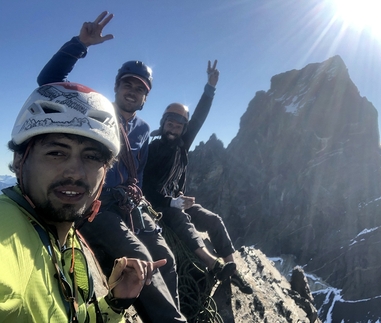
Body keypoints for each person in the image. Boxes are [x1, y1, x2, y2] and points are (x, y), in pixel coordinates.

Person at [37, 12, 186, 322]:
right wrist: (80, 44)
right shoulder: (94, 110)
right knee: (143, 259)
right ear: (117, 87)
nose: (133, 90)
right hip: (99, 204)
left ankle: (170, 315)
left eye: (140, 88)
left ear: (146, 97)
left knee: (167, 259)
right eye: (127, 84)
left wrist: (140, 202)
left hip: (130, 204)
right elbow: (49, 83)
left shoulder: (144, 129)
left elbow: (140, 170)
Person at [0, 82, 166, 322]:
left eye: (91, 157)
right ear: (19, 160)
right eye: (56, 153)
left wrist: (116, 302)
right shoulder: (7, 231)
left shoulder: (68, 238)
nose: (75, 173)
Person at [142, 60, 253, 294]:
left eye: (178, 126)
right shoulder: (152, 149)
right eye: (169, 124)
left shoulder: (182, 144)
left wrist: (210, 88)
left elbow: (199, 118)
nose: (173, 129)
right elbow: (146, 189)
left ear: (183, 129)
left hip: (176, 200)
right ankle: (212, 263)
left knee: (213, 220)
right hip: (158, 206)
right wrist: (172, 202)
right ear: (163, 125)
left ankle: (231, 267)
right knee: (181, 219)